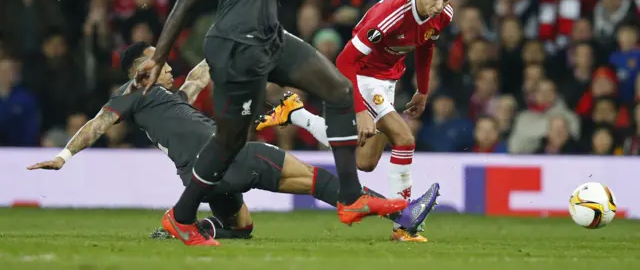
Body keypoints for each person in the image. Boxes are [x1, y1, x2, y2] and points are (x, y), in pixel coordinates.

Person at [134, 0, 408, 246]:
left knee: (339, 90)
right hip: (238, 45)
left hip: (267, 36)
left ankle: (350, 197)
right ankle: (181, 217)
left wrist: (161, 56)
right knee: (229, 142)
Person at [27, 42, 438, 244]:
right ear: (141, 71)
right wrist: (64, 155)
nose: (169, 65)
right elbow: (99, 123)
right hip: (234, 155)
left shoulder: (161, 100)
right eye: (160, 61)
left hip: (200, 175)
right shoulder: (132, 92)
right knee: (321, 182)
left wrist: (227, 44)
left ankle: (192, 227)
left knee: (241, 230)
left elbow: (197, 78)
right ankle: (401, 213)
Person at [257, 0, 454, 241]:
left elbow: (426, 44)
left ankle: (296, 114)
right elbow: (345, 61)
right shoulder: (392, 15)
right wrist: (360, 109)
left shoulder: (443, 14)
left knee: (365, 161)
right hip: (362, 75)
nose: (439, 4)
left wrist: (422, 89)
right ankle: (403, 224)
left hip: (388, 80)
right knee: (404, 139)